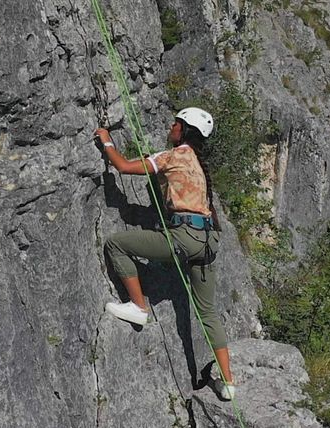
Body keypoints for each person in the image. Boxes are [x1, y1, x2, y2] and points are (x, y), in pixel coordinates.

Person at [94, 107, 236, 400]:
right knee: (207, 312)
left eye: (176, 123)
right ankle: (229, 383)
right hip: (207, 242)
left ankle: (139, 307)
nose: (171, 126)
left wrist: (106, 140)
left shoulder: (175, 156)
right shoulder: (196, 162)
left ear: (185, 130)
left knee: (116, 244)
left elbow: (124, 167)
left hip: (184, 237)